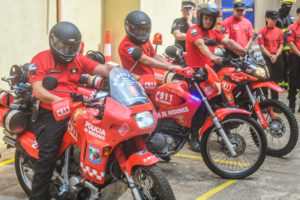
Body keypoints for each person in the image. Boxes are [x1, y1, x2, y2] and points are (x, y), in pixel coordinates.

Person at [28, 21, 115, 200]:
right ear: (52, 42)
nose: (68, 51)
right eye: (63, 46)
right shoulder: (40, 59)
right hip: (50, 113)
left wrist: (117, 71)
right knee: (48, 157)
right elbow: (38, 90)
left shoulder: (79, 59)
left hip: (76, 109)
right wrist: (61, 101)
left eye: (72, 47)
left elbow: (102, 69)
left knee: (99, 135)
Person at [185, 2, 246, 151]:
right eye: (206, 18)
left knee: (220, 102)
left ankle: (223, 133)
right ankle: (193, 138)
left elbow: (227, 41)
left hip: (208, 74)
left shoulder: (212, 33)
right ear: (200, 18)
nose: (208, 21)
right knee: (200, 105)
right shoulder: (194, 30)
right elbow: (200, 44)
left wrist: (242, 50)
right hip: (194, 74)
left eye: (211, 19)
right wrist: (212, 57)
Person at [118, 11, 181, 77]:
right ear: (129, 28)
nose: (141, 32)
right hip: (135, 83)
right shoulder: (126, 45)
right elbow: (145, 60)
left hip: (149, 81)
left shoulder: (144, 40)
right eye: (137, 29)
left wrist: (171, 66)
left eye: (144, 29)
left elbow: (153, 55)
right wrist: (169, 67)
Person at [258, 10, 284, 101]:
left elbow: (281, 45)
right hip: (266, 58)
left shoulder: (279, 31)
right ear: (267, 18)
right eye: (272, 19)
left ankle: (275, 103)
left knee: (275, 81)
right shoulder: (262, 31)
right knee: (265, 80)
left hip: (276, 57)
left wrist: (276, 55)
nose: (274, 21)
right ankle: (265, 103)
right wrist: (270, 56)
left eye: (275, 19)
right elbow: (261, 46)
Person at [276, 0, 295, 89]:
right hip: (279, 46)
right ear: (283, 5)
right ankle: (280, 84)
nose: (289, 8)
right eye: (288, 6)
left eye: (290, 6)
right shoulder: (277, 16)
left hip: (289, 46)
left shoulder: (291, 16)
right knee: (280, 66)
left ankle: (288, 84)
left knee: (289, 66)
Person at [287, 8, 300, 113]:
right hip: (295, 58)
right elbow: (291, 43)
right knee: (293, 82)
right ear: (297, 14)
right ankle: (291, 105)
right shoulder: (292, 27)